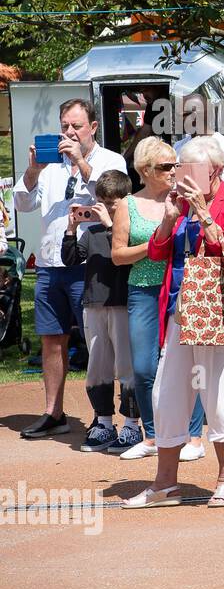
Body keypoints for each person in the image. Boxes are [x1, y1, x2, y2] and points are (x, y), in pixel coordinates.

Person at [121, 136, 224, 509]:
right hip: (183, 309)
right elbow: (156, 251)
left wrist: (203, 211)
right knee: (167, 393)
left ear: (213, 170)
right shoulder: (178, 204)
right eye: (178, 166)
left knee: (219, 394)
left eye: (188, 167)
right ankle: (165, 484)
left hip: (221, 309)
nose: (180, 174)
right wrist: (168, 219)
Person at [14, 97, 128, 439]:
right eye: (65, 126)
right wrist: (34, 169)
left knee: (99, 342)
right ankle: (54, 412)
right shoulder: (51, 164)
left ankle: (103, 417)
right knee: (51, 339)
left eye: (76, 126)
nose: (69, 132)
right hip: (51, 262)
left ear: (93, 127)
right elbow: (22, 203)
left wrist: (83, 163)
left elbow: (115, 197)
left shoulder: (111, 159)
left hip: (91, 264)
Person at [111, 137, 207, 462]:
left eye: (175, 165)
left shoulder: (184, 199)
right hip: (143, 287)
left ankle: (193, 436)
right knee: (143, 366)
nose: (173, 171)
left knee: (188, 363)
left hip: (180, 288)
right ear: (146, 169)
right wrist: (155, 245)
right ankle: (152, 436)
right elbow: (118, 255)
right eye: (167, 166)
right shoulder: (128, 204)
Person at [60, 170, 139, 453]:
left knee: (128, 367)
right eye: (101, 203)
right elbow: (69, 259)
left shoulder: (132, 228)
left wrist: (111, 226)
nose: (106, 208)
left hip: (121, 303)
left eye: (112, 203)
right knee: (97, 367)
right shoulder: (91, 232)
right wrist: (70, 229)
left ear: (125, 200)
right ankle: (104, 422)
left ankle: (132, 425)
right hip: (93, 305)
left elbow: (126, 259)